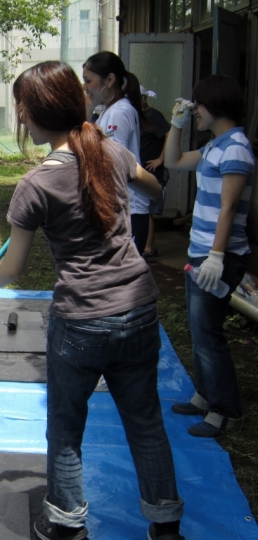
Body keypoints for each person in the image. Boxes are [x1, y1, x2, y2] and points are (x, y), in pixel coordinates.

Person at [0, 61, 184, 540]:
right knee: (145, 422)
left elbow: (13, 270)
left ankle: (65, 526)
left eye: (22, 109)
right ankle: (166, 527)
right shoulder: (111, 151)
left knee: (66, 428)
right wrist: (128, 176)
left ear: (34, 114)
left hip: (82, 322)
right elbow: (153, 187)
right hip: (140, 311)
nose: (20, 118)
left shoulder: (35, 185)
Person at [164, 75, 254, 437]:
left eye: (197, 106)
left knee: (209, 334)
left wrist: (216, 256)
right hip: (199, 253)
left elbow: (229, 208)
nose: (194, 110)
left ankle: (226, 411)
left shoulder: (237, 148)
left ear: (214, 104)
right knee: (200, 331)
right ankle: (205, 394)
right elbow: (172, 160)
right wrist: (177, 124)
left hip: (218, 258)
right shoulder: (216, 145)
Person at [83, 51, 152, 255]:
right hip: (118, 207)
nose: (85, 88)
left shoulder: (119, 112)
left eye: (88, 81)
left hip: (128, 209)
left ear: (110, 80)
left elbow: (115, 161)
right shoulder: (108, 111)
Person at [140, 86, 172, 260]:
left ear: (144, 98)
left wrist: (161, 159)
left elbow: (169, 134)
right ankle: (149, 246)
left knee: (148, 211)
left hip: (154, 172)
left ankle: (149, 248)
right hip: (143, 172)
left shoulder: (154, 116)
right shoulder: (139, 116)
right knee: (144, 208)